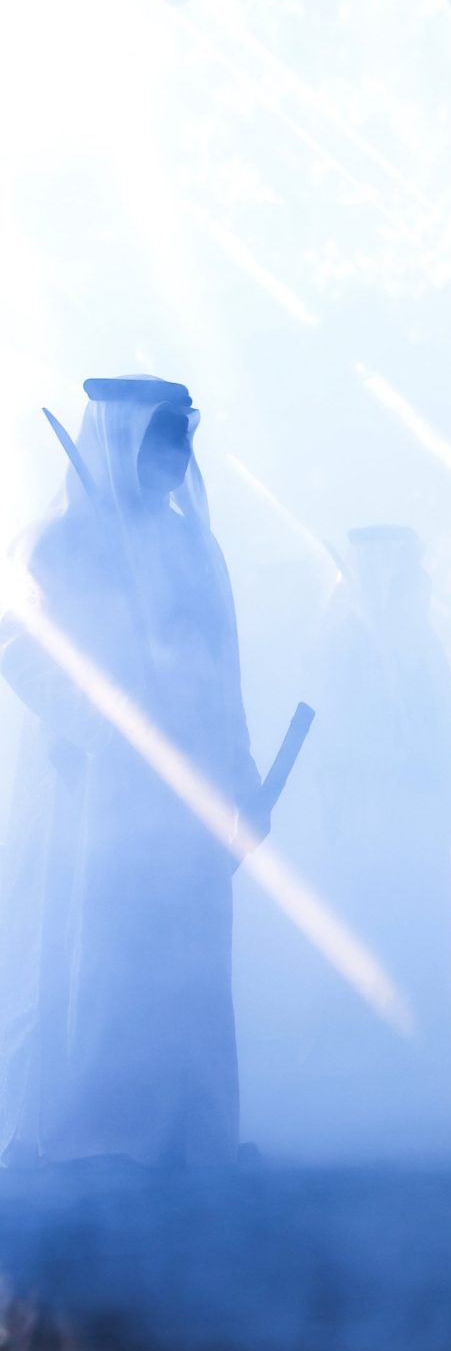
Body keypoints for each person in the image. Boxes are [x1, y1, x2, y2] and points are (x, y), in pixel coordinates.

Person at [0, 376, 259, 1167]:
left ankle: (186, 1124)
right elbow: (21, 648)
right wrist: (105, 725)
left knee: (186, 958)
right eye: (162, 439)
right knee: (100, 955)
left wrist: (241, 775)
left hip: (190, 794)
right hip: (94, 796)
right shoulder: (60, 543)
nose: (178, 456)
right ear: (123, 441)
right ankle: (92, 1131)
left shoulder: (193, 545)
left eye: (184, 438)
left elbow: (222, 669)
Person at [301, 525, 451, 1057]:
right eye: (398, 570)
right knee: (374, 923)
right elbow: (333, 732)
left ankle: (426, 1044)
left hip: (421, 818)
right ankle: (368, 1047)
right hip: (371, 816)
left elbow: (447, 723)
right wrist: (395, 754)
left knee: (423, 925)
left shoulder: (420, 638)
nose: (409, 578)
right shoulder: (343, 641)